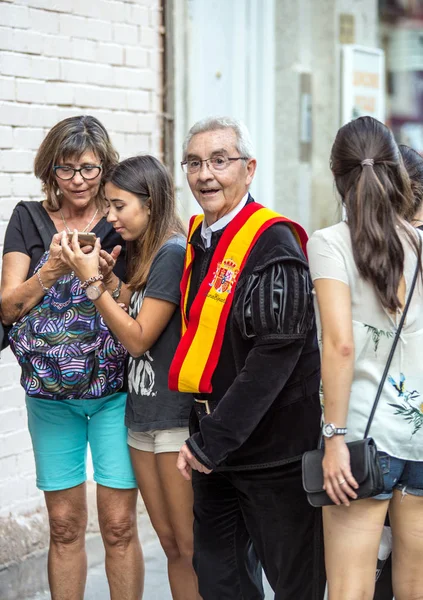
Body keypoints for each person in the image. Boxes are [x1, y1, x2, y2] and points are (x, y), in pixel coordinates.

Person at [169, 116, 325, 600]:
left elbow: (272, 360)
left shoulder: (274, 244)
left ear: (249, 168)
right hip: (217, 452)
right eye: (194, 163)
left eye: (220, 161)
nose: (205, 175)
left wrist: (210, 443)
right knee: (221, 582)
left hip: (273, 455)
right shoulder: (201, 236)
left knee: (292, 583)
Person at [1, 116, 143, 600]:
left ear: (105, 167)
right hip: (50, 396)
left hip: (114, 394)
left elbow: (148, 306)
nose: (79, 180)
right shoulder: (29, 219)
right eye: (66, 169)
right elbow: (7, 305)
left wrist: (105, 277)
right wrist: (55, 268)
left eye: (89, 168)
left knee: (120, 524)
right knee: (63, 525)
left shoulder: (124, 218)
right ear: (50, 170)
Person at [60, 155, 200, 600]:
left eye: (119, 206)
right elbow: (140, 307)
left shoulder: (173, 252)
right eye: (109, 206)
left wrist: (91, 285)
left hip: (173, 418)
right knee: (172, 546)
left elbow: (138, 339)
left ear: (151, 202)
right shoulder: (146, 252)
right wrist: (109, 279)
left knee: (190, 547)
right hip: (143, 416)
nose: (111, 217)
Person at [307, 116, 423, 599]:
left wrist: (333, 438)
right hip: (418, 434)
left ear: (337, 176)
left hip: (358, 439)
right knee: (413, 585)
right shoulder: (419, 242)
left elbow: (340, 344)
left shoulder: (330, 243)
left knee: (350, 589)